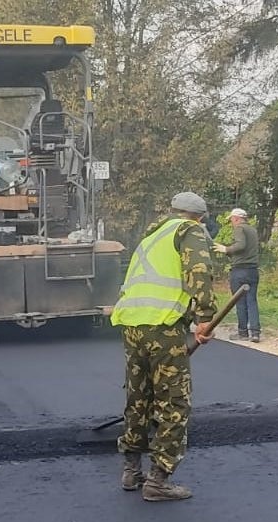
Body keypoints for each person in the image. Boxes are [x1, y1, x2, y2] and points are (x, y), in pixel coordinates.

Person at [110, 191, 217, 502]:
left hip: (132, 324)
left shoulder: (154, 232)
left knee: (139, 397)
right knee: (173, 402)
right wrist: (205, 317)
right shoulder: (190, 230)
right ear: (199, 217)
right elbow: (198, 272)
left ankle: (131, 470)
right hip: (163, 327)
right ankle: (158, 481)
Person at [213, 208, 261, 343]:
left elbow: (241, 245)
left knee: (239, 301)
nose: (231, 223)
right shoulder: (253, 230)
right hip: (253, 270)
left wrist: (225, 249)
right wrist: (229, 251)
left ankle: (243, 333)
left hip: (239, 271)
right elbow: (246, 250)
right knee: (252, 301)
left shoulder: (239, 229)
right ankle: (255, 333)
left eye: (231, 220)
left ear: (236, 218)